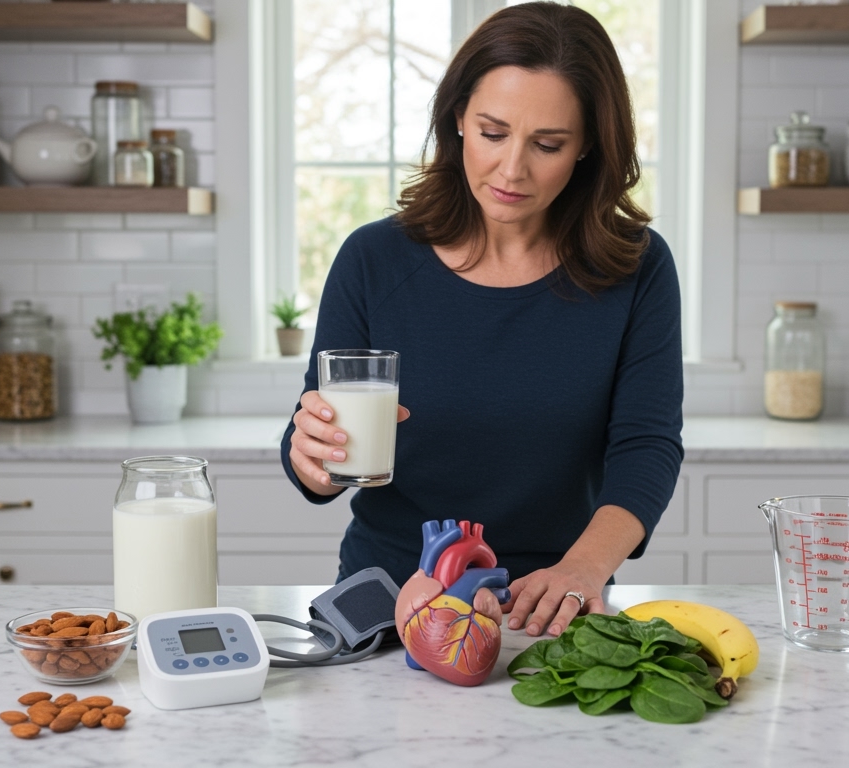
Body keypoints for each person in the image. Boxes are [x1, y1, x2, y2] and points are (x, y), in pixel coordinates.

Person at [281, 1, 682, 640]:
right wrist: (311, 456)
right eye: (493, 133)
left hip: (550, 607)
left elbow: (647, 446)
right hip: (390, 603)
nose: (512, 169)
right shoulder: (374, 259)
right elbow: (322, 456)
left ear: (587, 148)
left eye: (548, 144)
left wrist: (583, 569)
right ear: (458, 119)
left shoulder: (637, 269)